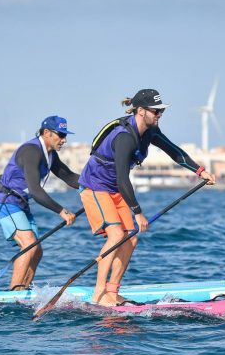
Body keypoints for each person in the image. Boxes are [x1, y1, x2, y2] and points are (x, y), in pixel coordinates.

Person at [78, 89, 216, 306]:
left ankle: (112, 292)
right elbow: (123, 178)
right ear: (141, 111)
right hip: (96, 186)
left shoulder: (150, 131)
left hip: (115, 188)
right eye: (156, 110)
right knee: (115, 236)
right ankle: (99, 294)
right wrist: (138, 212)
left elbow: (174, 151)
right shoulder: (124, 137)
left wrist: (200, 171)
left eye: (161, 110)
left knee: (130, 238)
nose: (159, 114)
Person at [0, 115, 79, 291]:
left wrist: (98, 183)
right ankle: (14, 292)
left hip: (21, 205)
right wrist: (61, 211)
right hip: (6, 202)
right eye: (60, 135)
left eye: (65, 135)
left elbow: (69, 177)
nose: (64, 140)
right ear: (46, 133)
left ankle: (24, 289)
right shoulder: (31, 151)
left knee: (37, 250)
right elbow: (35, 190)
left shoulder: (50, 155)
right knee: (29, 244)